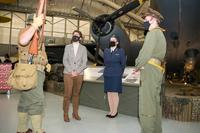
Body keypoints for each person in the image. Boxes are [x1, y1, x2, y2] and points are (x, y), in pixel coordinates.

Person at [134, 8, 166, 133]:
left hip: (149, 70)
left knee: (146, 106)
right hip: (157, 70)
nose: (145, 20)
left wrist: (137, 66)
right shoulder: (160, 34)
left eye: (147, 18)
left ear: (155, 19)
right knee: (155, 104)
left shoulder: (153, 33)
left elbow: (145, 53)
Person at [16, 13, 49, 133]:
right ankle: (37, 130)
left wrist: (46, 63)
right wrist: (35, 26)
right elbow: (23, 40)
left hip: (31, 71)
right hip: (31, 71)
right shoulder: (27, 31)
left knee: (25, 100)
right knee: (37, 100)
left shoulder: (37, 35)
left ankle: (22, 129)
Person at [63, 30, 88, 122]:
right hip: (68, 74)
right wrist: (71, 71)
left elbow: (84, 62)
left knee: (76, 94)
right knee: (67, 95)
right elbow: (64, 60)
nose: (75, 36)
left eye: (77, 35)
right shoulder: (67, 47)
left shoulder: (83, 48)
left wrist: (77, 71)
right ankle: (65, 114)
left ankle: (75, 113)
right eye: (74, 35)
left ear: (80, 38)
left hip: (79, 74)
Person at [103, 35, 126, 118]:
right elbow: (105, 62)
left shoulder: (121, 50)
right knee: (109, 93)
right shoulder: (106, 50)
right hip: (107, 74)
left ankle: (115, 111)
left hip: (116, 74)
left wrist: (120, 72)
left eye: (113, 40)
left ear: (117, 42)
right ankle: (111, 110)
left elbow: (123, 63)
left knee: (114, 93)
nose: (111, 41)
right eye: (110, 40)